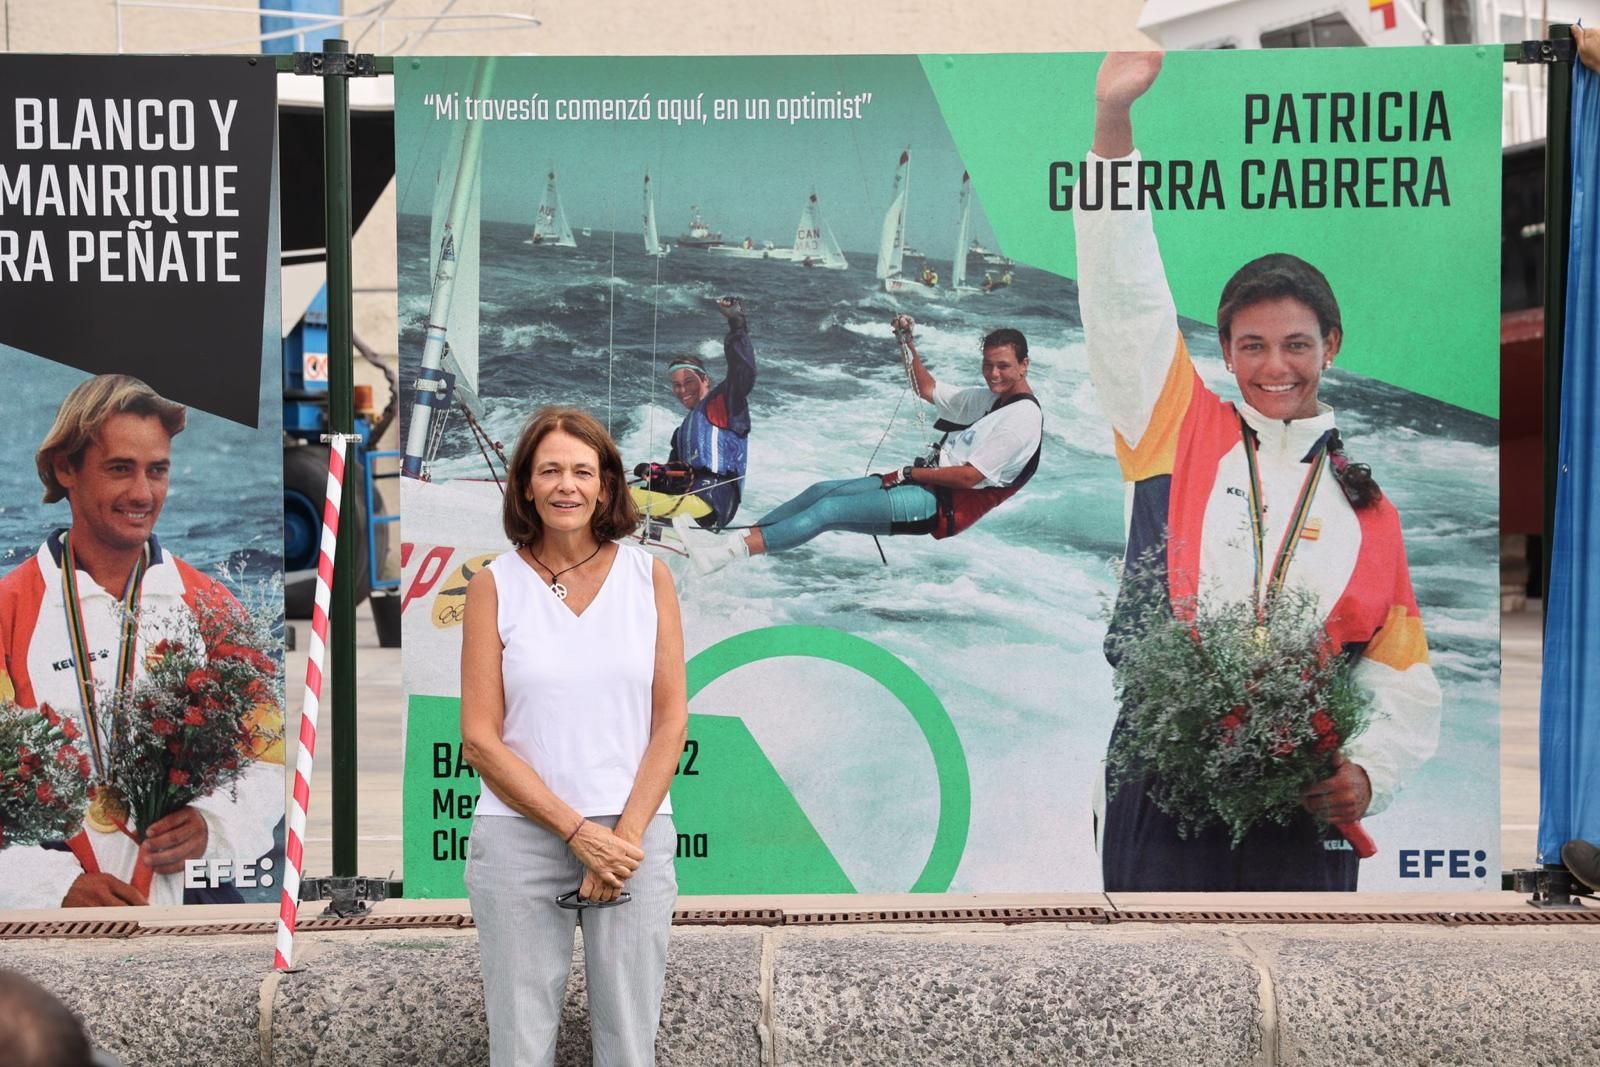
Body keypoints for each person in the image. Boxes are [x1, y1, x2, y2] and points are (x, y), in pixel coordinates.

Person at [1079, 52, 1442, 892]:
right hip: (1164, 784)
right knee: (1158, 1001)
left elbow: (1402, 672)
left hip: (1300, 795)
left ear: (1331, 348)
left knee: (1300, 1006)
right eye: (1252, 345)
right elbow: (1120, 294)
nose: (1274, 366)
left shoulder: (1370, 507)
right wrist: (1111, 127)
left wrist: (1370, 774)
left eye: (1296, 345)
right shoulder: (1174, 427)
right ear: (1226, 352)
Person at [0, 375, 282, 908]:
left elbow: (267, 762)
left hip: (189, 913)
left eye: (158, 470)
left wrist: (211, 824)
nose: (142, 493)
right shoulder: (8, 611)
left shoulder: (214, 607)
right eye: (119, 469)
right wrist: (50, 887)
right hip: (49, 927)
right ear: (66, 469)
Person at [461, 406, 687, 1066]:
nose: (568, 485)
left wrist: (621, 836)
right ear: (526, 485)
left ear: (608, 485)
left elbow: (670, 720)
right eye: (550, 469)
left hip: (632, 839)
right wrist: (576, 831)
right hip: (520, 838)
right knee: (521, 1046)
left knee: (629, 1046)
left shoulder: (651, 578)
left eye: (583, 471)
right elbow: (479, 738)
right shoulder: (492, 585)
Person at [674, 315, 1042, 574]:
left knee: (829, 511)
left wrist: (910, 472)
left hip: (939, 503)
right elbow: (926, 389)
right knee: (820, 491)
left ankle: (725, 554)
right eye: (988, 365)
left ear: (1024, 365)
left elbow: (969, 476)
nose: (993, 374)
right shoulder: (991, 398)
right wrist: (907, 343)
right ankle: (731, 542)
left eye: (1004, 366)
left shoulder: (1022, 418)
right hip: (922, 483)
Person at [637, 297, 756, 530]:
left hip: (712, 501)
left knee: (607, 498)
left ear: (705, 380)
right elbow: (676, 472)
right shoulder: (681, 432)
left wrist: (737, 323)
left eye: (689, 382)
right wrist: (656, 472)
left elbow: (743, 371)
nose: (682, 390)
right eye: (677, 385)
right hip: (689, 501)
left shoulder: (724, 402)